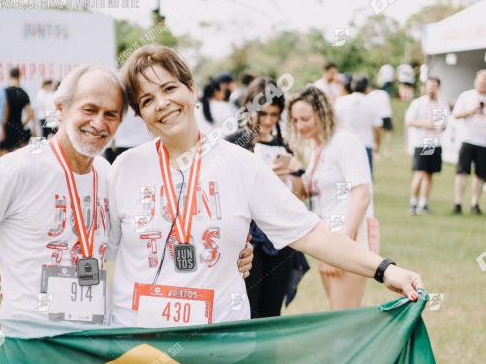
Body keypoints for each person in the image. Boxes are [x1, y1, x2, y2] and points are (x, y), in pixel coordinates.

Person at [110, 45, 422, 329]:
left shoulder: (240, 165)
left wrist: (385, 270)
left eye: (169, 88)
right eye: (147, 100)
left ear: (191, 89)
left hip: (217, 345)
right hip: (138, 344)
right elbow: (91, 247)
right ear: (142, 116)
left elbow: (311, 233)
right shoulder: (125, 168)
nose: (162, 104)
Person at [0, 64, 254, 337]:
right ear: (60, 108)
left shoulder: (107, 172)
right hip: (35, 341)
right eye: (89, 109)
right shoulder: (19, 168)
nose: (99, 123)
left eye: (111, 114)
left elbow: (132, 242)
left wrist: (232, 248)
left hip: (95, 338)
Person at [227, 77, 310, 318]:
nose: (268, 121)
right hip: (247, 239)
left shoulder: (282, 146)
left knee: (272, 309)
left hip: (279, 237)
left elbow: (299, 196)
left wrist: (295, 172)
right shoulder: (233, 143)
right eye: (262, 114)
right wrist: (262, 179)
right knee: (246, 308)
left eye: (274, 115)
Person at [288, 85, 377, 310]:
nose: (300, 125)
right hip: (325, 237)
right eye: (295, 120)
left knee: (344, 317)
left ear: (322, 113)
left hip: (347, 236)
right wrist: (294, 170)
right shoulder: (317, 147)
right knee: (336, 312)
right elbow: (307, 194)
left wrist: (343, 244)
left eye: (305, 118)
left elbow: (362, 196)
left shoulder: (344, 142)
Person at [405, 77, 448, 215]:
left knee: (429, 174)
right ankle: (413, 202)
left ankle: (423, 204)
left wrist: (439, 126)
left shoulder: (441, 104)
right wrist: (426, 124)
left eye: (434, 86)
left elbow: (443, 124)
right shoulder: (418, 103)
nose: (431, 88)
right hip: (421, 141)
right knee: (420, 172)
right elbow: (409, 121)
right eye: (429, 86)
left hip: (434, 142)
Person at [452, 69, 486, 215]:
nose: (483, 82)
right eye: (481, 80)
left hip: (484, 142)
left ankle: (474, 204)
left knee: (480, 174)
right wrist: (471, 111)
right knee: (462, 172)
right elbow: (456, 114)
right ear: (475, 80)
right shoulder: (466, 96)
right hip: (467, 139)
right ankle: (458, 202)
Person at [334, 74, 382, 170]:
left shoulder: (341, 101)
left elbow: (334, 123)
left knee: (344, 178)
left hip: (345, 144)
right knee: (365, 177)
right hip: (365, 144)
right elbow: (377, 128)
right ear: (366, 87)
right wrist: (377, 144)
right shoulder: (372, 102)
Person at [1, 68, 34, 153]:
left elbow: (3, 111)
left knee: (6, 157)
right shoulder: (23, 93)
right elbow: (30, 114)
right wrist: (22, 124)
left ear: (9, 76)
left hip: (6, 128)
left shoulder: (4, 92)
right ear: (19, 76)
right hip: (18, 128)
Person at [366, 82, 393, 152]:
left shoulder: (370, 95)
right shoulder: (384, 93)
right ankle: (388, 150)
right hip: (387, 114)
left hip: (378, 115)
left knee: (377, 133)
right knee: (388, 132)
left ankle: (377, 150)